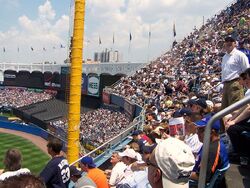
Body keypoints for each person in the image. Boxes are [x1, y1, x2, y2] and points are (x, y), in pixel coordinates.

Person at [190, 116, 229, 182]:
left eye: (200, 130)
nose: (197, 132)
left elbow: (201, 177)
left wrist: (184, 174)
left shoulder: (211, 150)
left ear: (211, 132)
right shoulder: (209, 143)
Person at [221, 36, 249, 109]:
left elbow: (246, 69)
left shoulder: (240, 55)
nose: (229, 42)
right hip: (225, 85)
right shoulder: (224, 57)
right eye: (227, 41)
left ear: (235, 43)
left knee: (234, 109)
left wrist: (243, 83)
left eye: (231, 41)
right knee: (224, 110)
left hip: (235, 83)